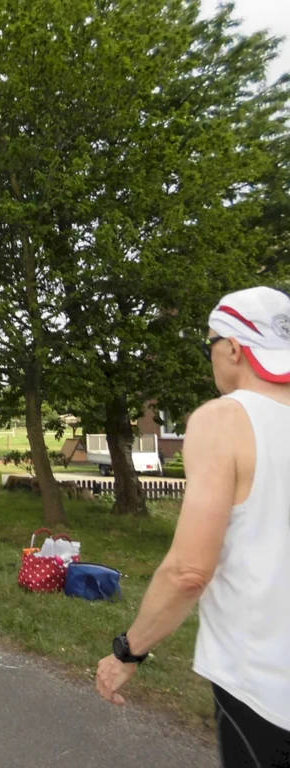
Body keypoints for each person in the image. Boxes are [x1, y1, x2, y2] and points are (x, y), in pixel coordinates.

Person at [96, 287, 290, 766]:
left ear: (233, 348)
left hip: (266, 686)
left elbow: (189, 572)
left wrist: (127, 653)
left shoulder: (225, 419)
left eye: (210, 345)